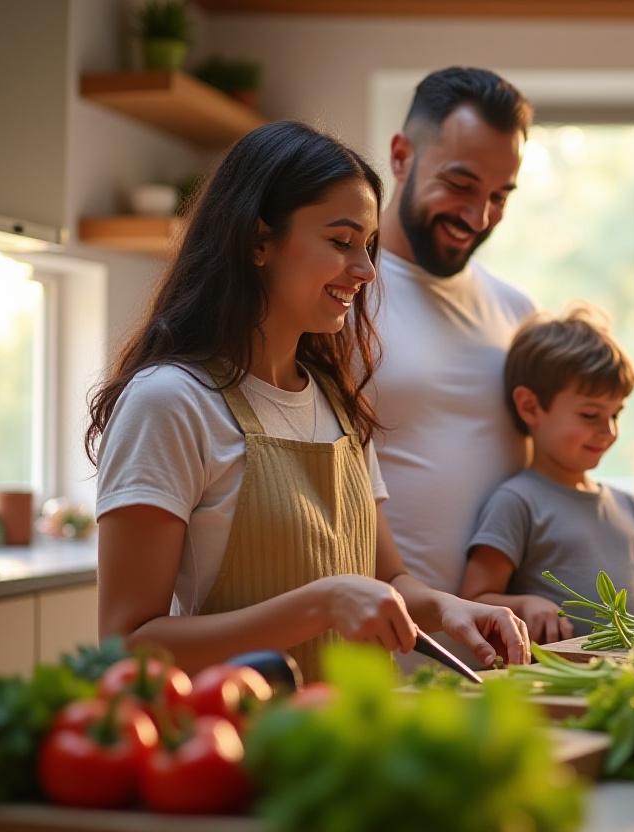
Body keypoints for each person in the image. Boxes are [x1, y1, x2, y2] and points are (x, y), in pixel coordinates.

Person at [88, 121, 527, 681]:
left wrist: (448, 608)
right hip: (238, 747)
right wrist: (319, 605)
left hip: (348, 740)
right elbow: (127, 644)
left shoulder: (337, 400)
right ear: (257, 241)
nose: (366, 271)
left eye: (368, 246)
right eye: (342, 242)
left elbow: (387, 579)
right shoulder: (169, 403)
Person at [459, 310, 634, 644]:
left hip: (629, 680)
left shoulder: (631, 508)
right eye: (590, 415)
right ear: (530, 407)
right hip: (555, 683)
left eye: (616, 414)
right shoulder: (517, 502)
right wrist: (525, 604)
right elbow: (474, 600)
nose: (609, 431)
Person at [370, 67, 535, 596]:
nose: (478, 216)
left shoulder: (518, 312)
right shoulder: (339, 298)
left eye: (500, 196)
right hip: (368, 656)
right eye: (460, 184)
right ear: (401, 157)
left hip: (497, 659)